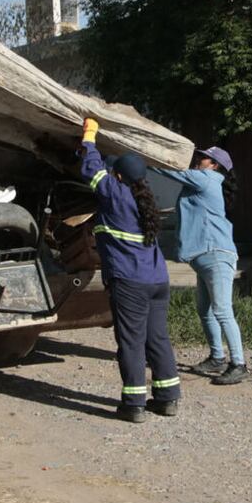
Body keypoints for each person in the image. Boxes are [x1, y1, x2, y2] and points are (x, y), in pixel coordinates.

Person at [80, 118, 181, 423]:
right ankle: (167, 398)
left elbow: (91, 169)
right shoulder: (145, 199)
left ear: (119, 176)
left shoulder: (115, 193)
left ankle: (134, 404)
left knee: (131, 342)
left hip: (130, 282)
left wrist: (89, 136)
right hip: (157, 280)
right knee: (157, 339)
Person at [151, 146, 248, 385]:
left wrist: (145, 157)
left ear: (214, 165)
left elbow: (169, 171)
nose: (198, 160)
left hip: (215, 255)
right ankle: (217, 357)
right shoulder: (205, 180)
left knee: (222, 310)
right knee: (205, 310)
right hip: (205, 257)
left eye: (203, 158)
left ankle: (239, 364)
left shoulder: (207, 178)